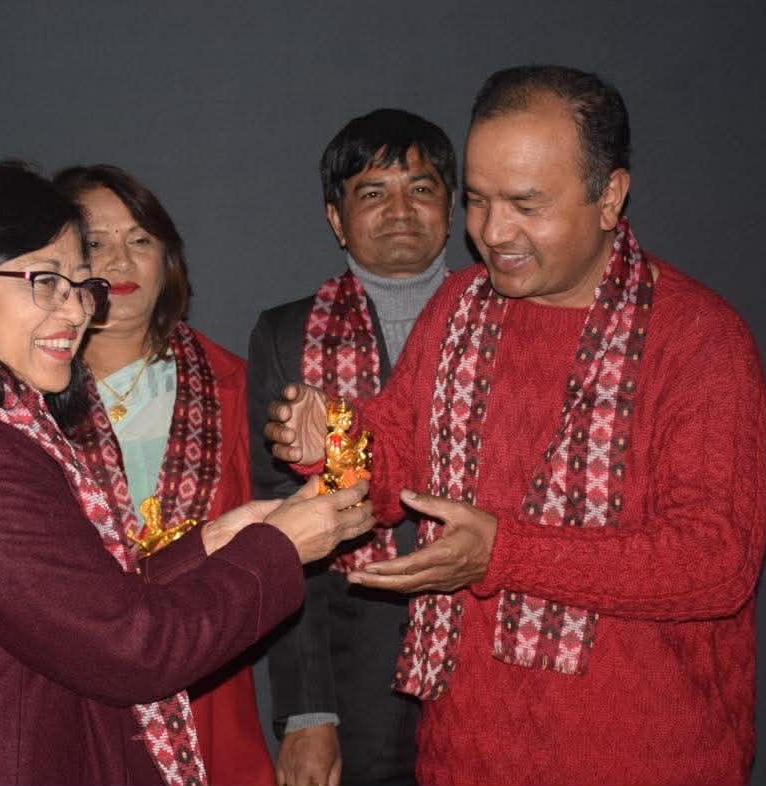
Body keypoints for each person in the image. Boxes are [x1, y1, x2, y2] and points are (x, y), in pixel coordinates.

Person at [266, 65, 766, 786]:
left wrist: (505, 552)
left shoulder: (699, 341)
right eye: (477, 200)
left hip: (648, 759)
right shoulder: (459, 307)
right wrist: (334, 444)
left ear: (609, 198)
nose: (493, 233)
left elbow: (715, 564)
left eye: (526, 205)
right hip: (463, 753)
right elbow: (396, 457)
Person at [0, 161, 375, 786]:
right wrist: (277, 548)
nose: (74, 310)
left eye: (77, 284)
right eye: (44, 281)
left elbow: (73, 608)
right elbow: (134, 650)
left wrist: (212, 544)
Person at [248, 108, 456, 786]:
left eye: (420, 188)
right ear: (336, 219)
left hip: (489, 656)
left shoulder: (508, 319)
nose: (400, 209)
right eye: (373, 192)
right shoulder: (286, 335)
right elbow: (280, 533)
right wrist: (307, 713)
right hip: (353, 671)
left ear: (450, 208)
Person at [53, 164, 277, 786]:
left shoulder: (233, 385)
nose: (120, 260)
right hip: (68, 698)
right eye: (95, 242)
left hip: (210, 697)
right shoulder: (20, 402)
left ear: (168, 259)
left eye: (140, 239)